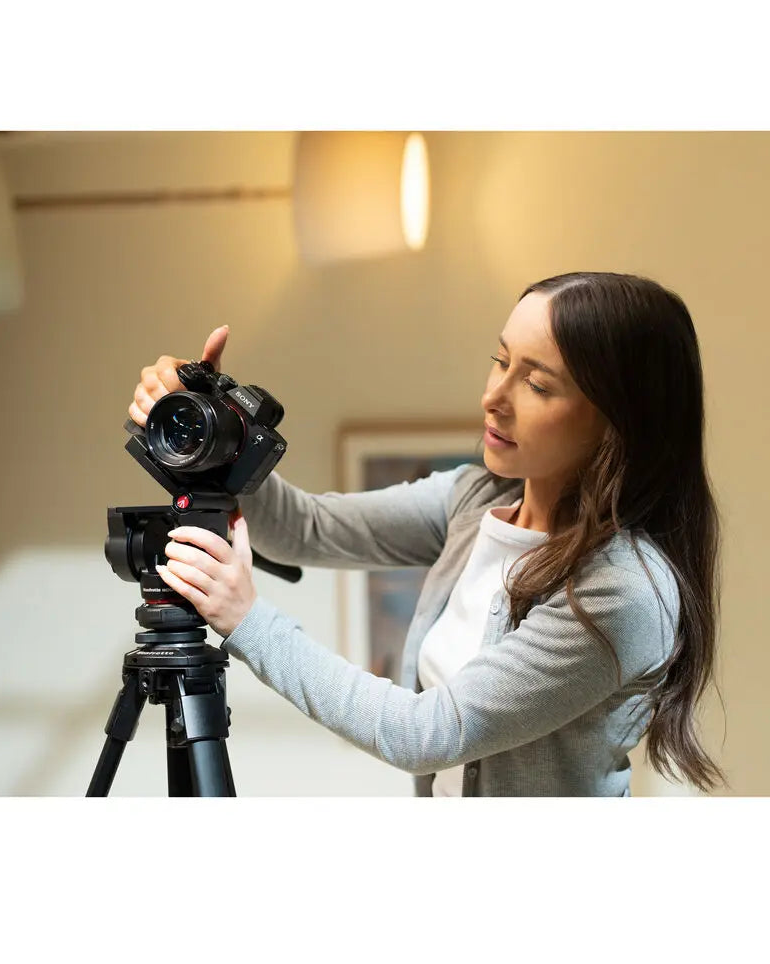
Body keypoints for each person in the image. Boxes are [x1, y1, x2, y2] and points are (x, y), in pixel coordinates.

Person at [128, 272, 724, 797]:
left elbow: (427, 733)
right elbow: (304, 528)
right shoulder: (477, 498)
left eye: (538, 385)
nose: (493, 397)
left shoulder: (621, 592)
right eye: (500, 361)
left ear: (619, 422)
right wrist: (217, 433)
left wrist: (248, 621)